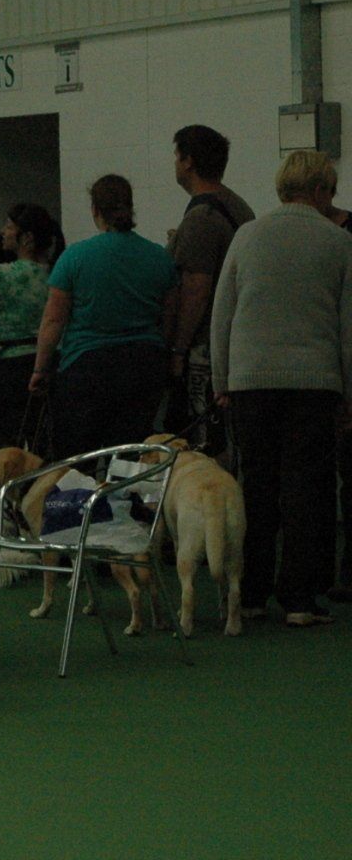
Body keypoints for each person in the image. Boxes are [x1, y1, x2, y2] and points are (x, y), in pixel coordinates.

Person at [210, 150, 352, 628]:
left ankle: (249, 594)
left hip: (250, 382)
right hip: (314, 384)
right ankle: (299, 600)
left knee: (256, 488)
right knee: (307, 491)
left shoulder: (247, 236)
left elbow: (222, 314)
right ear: (319, 190)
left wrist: (221, 380)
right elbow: (348, 327)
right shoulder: (339, 241)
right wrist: (348, 393)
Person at [30, 175, 178, 459]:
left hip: (87, 368)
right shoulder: (159, 257)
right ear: (130, 208)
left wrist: (40, 369)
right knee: (129, 458)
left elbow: (54, 320)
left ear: (95, 210)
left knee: (77, 459)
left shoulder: (75, 257)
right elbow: (168, 316)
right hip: (142, 366)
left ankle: (80, 502)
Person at [164, 125, 253, 455]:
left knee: (204, 442)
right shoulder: (237, 206)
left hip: (204, 347)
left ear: (188, 161)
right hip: (233, 340)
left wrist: (178, 349)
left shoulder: (201, 216)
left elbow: (196, 290)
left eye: (176, 156)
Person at [0, 204, 64, 450]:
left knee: (9, 444)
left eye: (9, 227)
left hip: (6, 364)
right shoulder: (57, 274)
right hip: (51, 361)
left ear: (26, 238)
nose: (3, 232)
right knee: (44, 443)